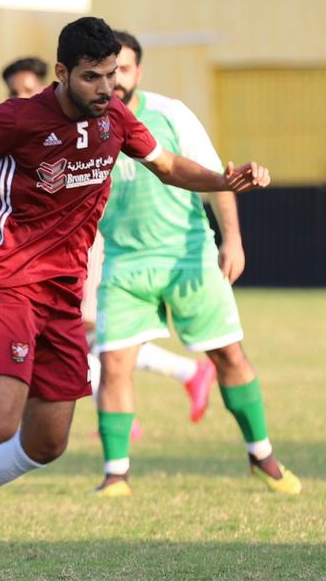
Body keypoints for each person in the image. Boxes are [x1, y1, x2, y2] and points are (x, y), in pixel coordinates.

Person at [0, 17, 271, 550]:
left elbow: (168, 165)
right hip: (7, 282)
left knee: (47, 442)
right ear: (61, 73)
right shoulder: (20, 118)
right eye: (91, 77)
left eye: (111, 75)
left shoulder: (116, 118)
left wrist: (226, 180)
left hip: (64, 295)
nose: (105, 88)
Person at [92, 31, 300, 498]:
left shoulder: (170, 114)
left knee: (229, 356)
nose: (115, 79)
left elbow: (215, 177)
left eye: (123, 69)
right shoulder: (84, 126)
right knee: (114, 364)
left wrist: (233, 240)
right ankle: (116, 475)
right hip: (123, 263)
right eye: (106, 71)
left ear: (138, 72)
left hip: (188, 257)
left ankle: (262, 455)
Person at [1, 57, 213, 440]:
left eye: (28, 88)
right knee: (90, 336)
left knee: (90, 332)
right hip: (52, 245)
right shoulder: (22, 126)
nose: (21, 96)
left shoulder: (77, 119)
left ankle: (131, 411)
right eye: (14, 91)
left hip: (87, 240)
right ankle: (180, 378)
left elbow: (153, 164)